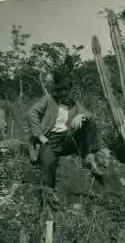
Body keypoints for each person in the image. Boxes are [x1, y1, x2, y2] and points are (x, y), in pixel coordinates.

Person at [27, 70, 104, 209]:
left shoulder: (74, 103)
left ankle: (90, 156)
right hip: (50, 139)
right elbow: (32, 112)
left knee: (90, 123)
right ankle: (48, 201)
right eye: (60, 89)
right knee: (46, 164)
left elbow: (90, 115)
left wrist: (81, 116)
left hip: (68, 139)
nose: (63, 92)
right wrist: (39, 135)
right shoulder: (48, 100)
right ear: (56, 90)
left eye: (66, 89)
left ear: (70, 89)